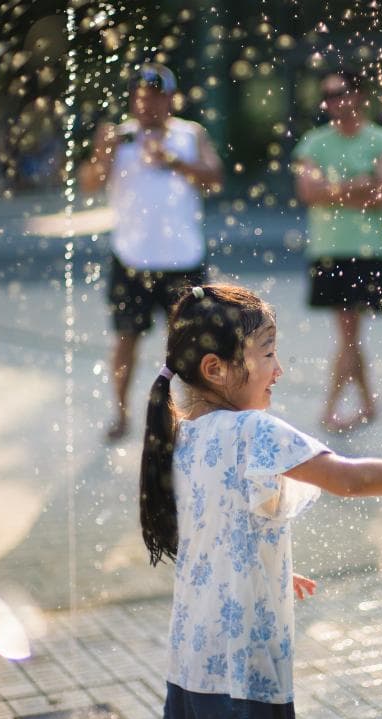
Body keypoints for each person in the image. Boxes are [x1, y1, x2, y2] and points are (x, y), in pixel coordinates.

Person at [139, 283, 382, 719]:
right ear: (215, 369)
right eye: (267, 354)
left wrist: (266, 567)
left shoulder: (183, 436)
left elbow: (216, 533)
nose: (279, 369)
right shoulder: (250, 431)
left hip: (191, 661)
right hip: (243, 670)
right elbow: (349, 478)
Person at [79, 62, 224, 441]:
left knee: (192, 343)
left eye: (157, 96)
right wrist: (102, 153)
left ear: (170, 99)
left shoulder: (190, 135)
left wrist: (173, 160)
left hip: (184, 259)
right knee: (126, 339)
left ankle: (193, 416)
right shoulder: (118, 137)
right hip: (132, 258)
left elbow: (215, 179)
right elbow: (89, 184)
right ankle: (122, 414)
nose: (149, 105)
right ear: (132, 100)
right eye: (142, 97)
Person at [292, 68, 382, 433]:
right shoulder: (314, 142)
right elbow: (308, 193)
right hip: (329, 249)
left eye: (341, 93)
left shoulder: (381, 138)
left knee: (350, 334)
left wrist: (333, 190)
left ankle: (334, 408)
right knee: (350, 334)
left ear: (360, 95)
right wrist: (359, 186)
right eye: (329, 95)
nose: (335, 102)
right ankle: (367, 404)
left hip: (367, 250)